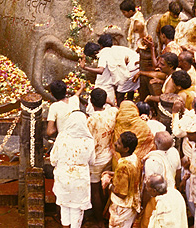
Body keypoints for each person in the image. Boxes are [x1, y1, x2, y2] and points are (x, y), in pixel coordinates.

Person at [49, 111, 95, 228]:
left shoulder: (62, 137)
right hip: (80, 181)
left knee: (64, 207)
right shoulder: (89, 141)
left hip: (63, 177)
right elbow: (92, 161)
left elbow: (53, 160)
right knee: (77, 211)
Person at [87, 87, 118, 226]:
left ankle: (99, 220)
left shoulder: (91, 120)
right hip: (109, 154)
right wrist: (110, 103)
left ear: (91, 102)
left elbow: (88, 140)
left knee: (95, 190)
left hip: (96, 158)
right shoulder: (112, 112)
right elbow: (116, 108)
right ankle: (107, 214)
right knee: (106, 184)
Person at [102, 131, 141, 228]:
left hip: (122, 207)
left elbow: (122, 194)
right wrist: (113, 174)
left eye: (119, 143)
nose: (115, 143)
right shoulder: (134, 158)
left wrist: (108, 183)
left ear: (126, 149)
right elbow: (129, 176)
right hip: (132, 204)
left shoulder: (123, 167)